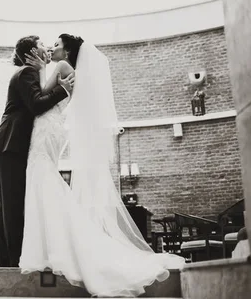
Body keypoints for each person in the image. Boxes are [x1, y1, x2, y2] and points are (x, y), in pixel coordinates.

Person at [19, 33, 185, 297]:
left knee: (42, 179)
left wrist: (40, 69)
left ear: (68, 51)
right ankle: (54, 249)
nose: (52, 48)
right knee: (47, 182)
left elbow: (39, 97)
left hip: (45, 127)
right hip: (54, 128)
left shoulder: (61, 67)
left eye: (57, 45)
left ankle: (49, 252)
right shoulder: (75, 72)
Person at [0, 35, 75, 267]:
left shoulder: (32, 72)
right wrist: (63, 90)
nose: (47, 47)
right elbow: (37, 104)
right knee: (13, 204)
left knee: (7, 203)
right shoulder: (26, 72)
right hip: (13, 143)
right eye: (41, 45)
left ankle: (8, 260)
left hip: (11, 144)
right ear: (31, 53)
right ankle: (14, 259)